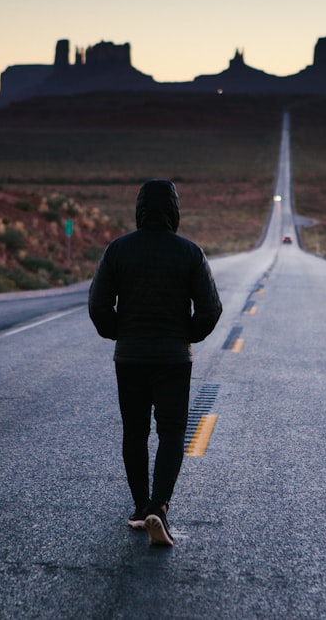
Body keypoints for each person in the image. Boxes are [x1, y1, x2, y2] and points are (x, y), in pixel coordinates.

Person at [89, 179, 222, 547]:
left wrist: (121, 333)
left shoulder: (118, 250)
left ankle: (138, 508)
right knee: (172, 432)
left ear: (140, 208)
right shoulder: (189, 252)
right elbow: (211, 308)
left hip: (130, 357)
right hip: (173, 359)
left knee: (135, 432)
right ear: (174, 210)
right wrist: (187, 336)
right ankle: (158, 507)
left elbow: (98, 305)